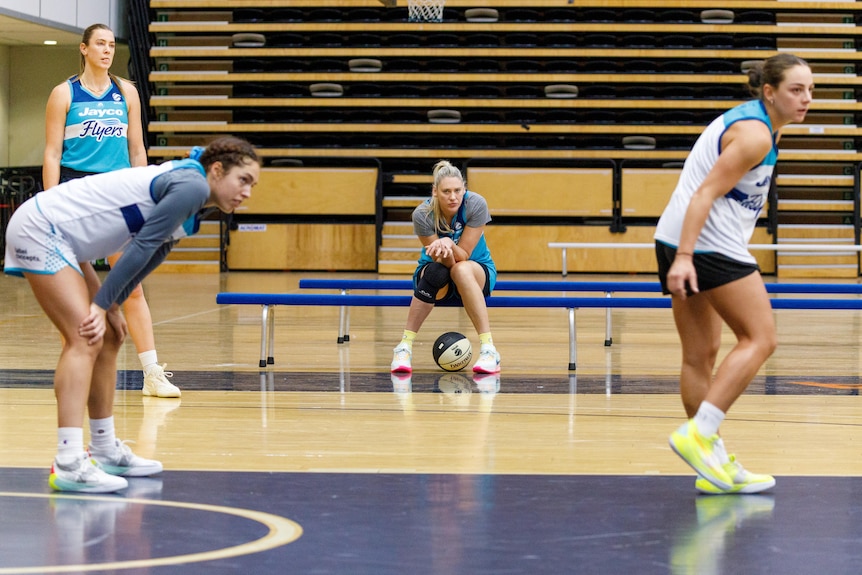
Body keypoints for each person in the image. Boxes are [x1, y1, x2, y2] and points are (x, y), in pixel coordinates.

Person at [5, 136, 260, 492]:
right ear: (217, 170)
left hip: (66, 237)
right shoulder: (191, 186)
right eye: (243, 180)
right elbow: (141, 246)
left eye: (253, 185)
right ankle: (68, 461)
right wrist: (98, 305)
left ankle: (105, 448)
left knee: (110, 334)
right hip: (43, 229)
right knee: (84, 335)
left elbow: (153, 253)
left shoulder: (195, 197)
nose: (247, 192)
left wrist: (111, 302)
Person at [654, 53, 814, 494]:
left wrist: (680, 252)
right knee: (762, 338)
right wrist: (687, 256)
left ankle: (712, 464)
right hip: (704, 244)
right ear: (769, 92)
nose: (806, 98)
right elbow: (705, 193)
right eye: (796, 90)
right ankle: (701, 432)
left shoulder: (759, 125)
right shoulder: (755, 135)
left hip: (673, 238)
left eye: (810, 90)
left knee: (700, 354)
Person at [43, 23, 180, 399]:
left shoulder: (127, 92)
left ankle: (152, 372)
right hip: (75, 192)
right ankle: (78, 364)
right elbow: (53, 153)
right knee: (75, 292)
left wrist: (147, 196)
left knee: (131, 288)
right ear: (84, 49)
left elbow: (138, 151)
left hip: (118, 192)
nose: (107, 50)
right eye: (99, 44)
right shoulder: (63, 94)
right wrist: (50, 204)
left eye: (110, 45)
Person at [390, 160, 501, 375]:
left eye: (458, 191)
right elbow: (443, 260)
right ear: (435, 192)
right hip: (436, 274)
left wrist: (449, 243)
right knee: (437, 270)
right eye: (446, 191)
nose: (453, 197)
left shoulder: (476, 205)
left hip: (476, 271)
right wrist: (446, 250)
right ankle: (404, 347)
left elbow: (463, 256)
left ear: (464, 189)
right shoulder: (422, 214)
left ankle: (489, 350)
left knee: (461, 269)